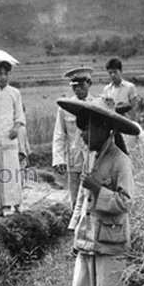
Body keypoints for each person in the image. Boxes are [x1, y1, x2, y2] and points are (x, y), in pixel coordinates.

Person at [56, 95, 141, 286]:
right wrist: (75, 232)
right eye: (82, 129)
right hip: (89, 239)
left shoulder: (120, 161)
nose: (83, 134)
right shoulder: (90, 158)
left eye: (88, 129)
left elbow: (126, 202)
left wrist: (98, 190)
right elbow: (81, 198)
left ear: (106, 129)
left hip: (111, 241)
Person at [0, 60, 26, 215]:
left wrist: (15, 128)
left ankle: (12, 203)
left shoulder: (15, 93)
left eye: (5, 73)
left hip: (9, 137)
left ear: (9, 74)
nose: (2, 77)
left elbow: (20, 115)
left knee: (10, 170)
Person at [52, 66, 95, 207]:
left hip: (93, 156)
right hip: (74, 157)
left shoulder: (97, 105)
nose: (78, 89)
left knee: (92, 197)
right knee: (75, 198)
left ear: (89, 83)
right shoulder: (65, 107)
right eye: (74, 86)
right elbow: (59, 134)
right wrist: (59, 159)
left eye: (81, 85)